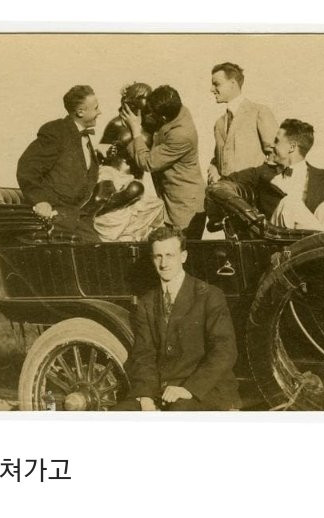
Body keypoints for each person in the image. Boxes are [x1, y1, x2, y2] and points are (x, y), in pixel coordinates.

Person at [114, 226, 241, 411]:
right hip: (160, 392)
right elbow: (144, 354)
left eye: (170, 255)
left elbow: (224, 351)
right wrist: (146, 396)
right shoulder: (146, 302)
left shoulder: (209, 295)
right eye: (158, 256)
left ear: (183, 256)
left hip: (205, 390)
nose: (164, 263)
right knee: (119, 413)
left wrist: (189, 389)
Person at [222, 119, 324, 231]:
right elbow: (225, 182)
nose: (271, 146)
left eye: (277, 141)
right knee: (290, 204)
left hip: (309, 246)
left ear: (292, 147)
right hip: (277, 244)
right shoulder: (261, 173)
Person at [17, 85, 102, 241]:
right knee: (94, 246)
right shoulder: (56, 131)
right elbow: (27, 168)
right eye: (96, 108)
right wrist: (41, 201)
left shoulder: (82, 136)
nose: (99, 112)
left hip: (76, 214)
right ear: (80, 112)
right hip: (55, 214)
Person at [120, 85, 206, 239]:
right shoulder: (175, 108)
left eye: (152, 114)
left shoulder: (182, 135)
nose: (148, 116)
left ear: (164, 118)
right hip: (173, 199)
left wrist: (135, 131)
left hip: (185, 208)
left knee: (183, 248)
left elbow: (148, 163)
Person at [208, 62, 278, 184]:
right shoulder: (219, 123)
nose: (211, 89)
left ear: (233, 84)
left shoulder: (259, 112)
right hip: (225, 192)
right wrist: (213, 168)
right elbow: (220, 158)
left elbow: (278, 154)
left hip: (253, 192)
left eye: (216, 84)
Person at [92, 155, 166, 242]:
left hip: (128, 218)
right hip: (110, 219)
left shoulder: (137, 176)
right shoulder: (107, 171)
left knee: (157, 204)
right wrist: (125, 196)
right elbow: (100, 198)